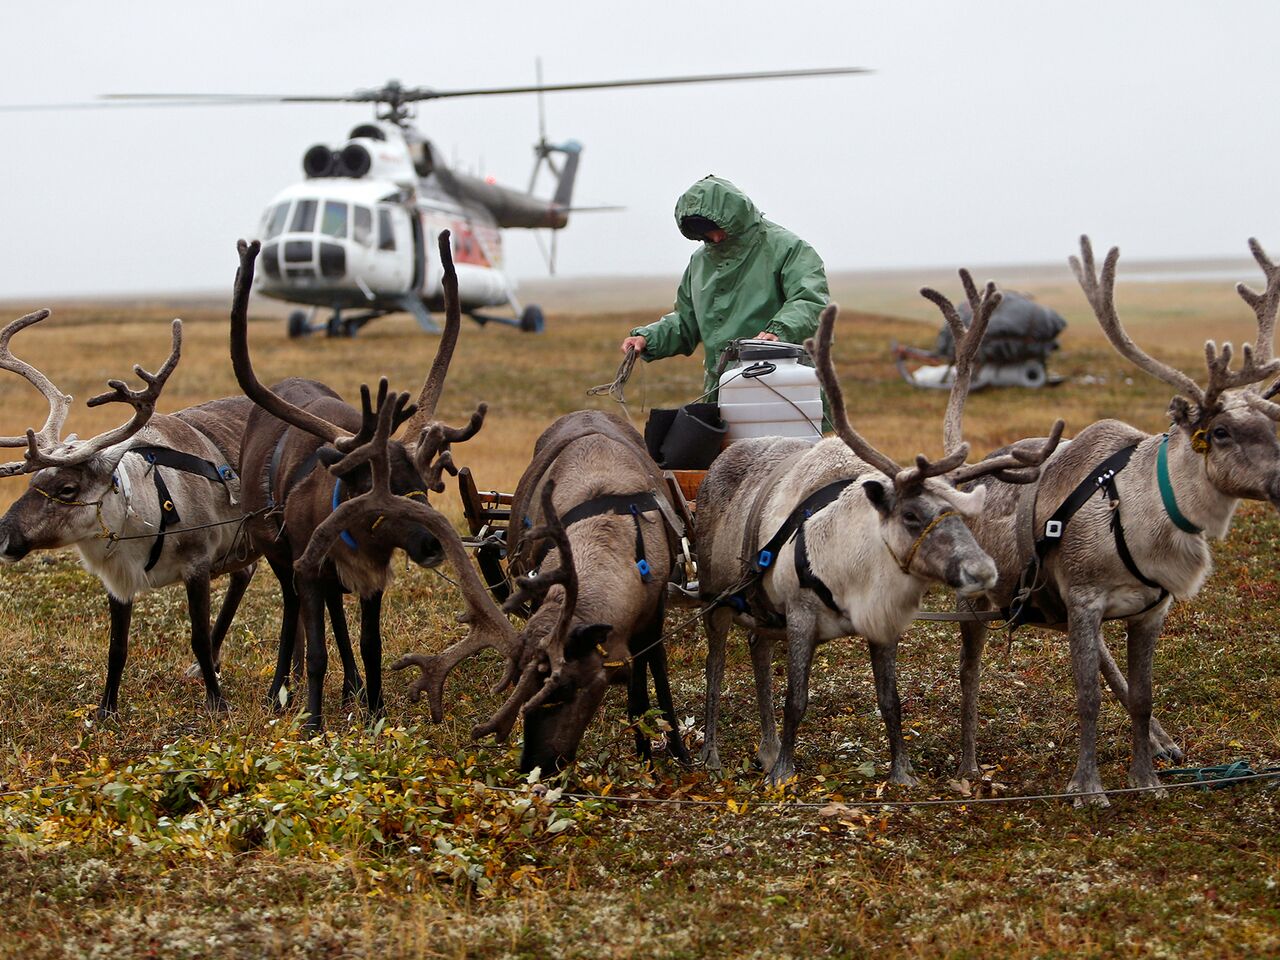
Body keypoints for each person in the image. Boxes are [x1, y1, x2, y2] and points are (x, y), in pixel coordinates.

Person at [620, 175, 829, 399]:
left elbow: (810, 300)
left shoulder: (789, 249)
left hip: (786, 386)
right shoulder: (699, 262)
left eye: (718, 227)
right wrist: (648, 338)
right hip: (721, 390)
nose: (716, 237)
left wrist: (777, 333)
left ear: (735, 217)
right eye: (705, 232)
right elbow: (685, 321)